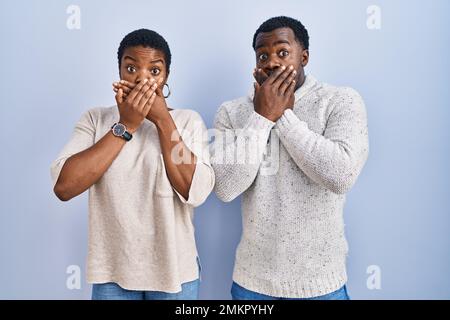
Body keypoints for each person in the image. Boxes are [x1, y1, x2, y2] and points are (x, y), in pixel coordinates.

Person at [211, 16, 369, 300]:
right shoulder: (231, 112)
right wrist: (261, 118)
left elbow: (341, 176)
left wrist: (282, 115)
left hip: (322, 285)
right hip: (252, 285)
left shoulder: (341, 100)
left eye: (283, 52)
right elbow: (225, 188)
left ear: (304, 56)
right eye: (263, 55)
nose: (271, 62)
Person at [51, 29, 214, 300]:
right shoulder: (96, 120)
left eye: (154, 70)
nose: (142, 78)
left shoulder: (187, 121)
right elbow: (64, 187)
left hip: (175, 274)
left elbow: (195, 192)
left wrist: (162, 121)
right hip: (112, 274)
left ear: (167, 77)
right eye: (131, 68)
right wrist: (125, 125)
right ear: (119, 73)